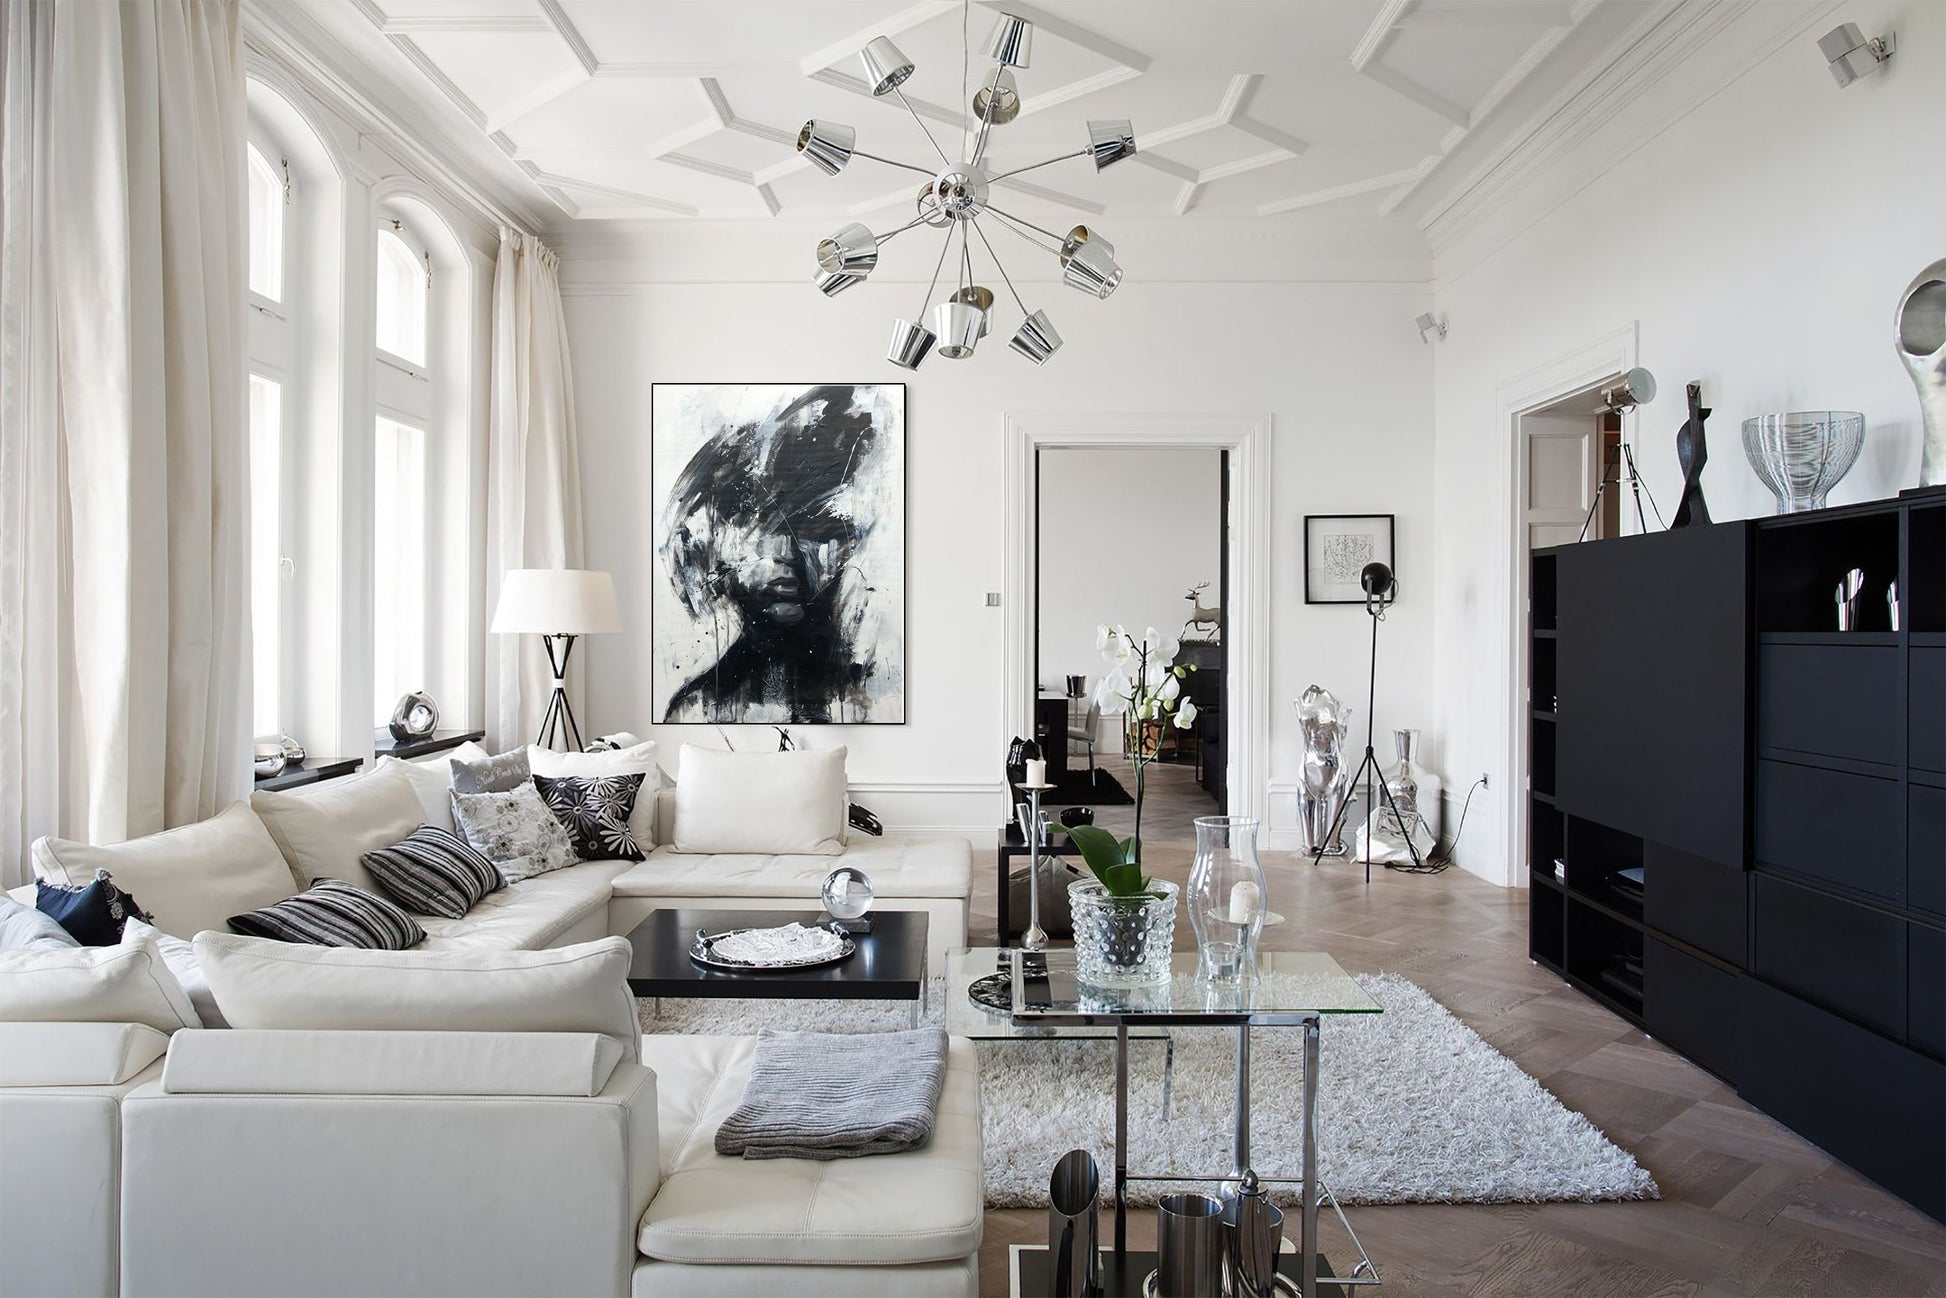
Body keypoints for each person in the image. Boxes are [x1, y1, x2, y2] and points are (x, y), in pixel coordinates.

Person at [658, 385, 898, 724]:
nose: (782, 553)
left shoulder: (870, 696)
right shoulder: (698, 708)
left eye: (815, 529)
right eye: (749, 520)